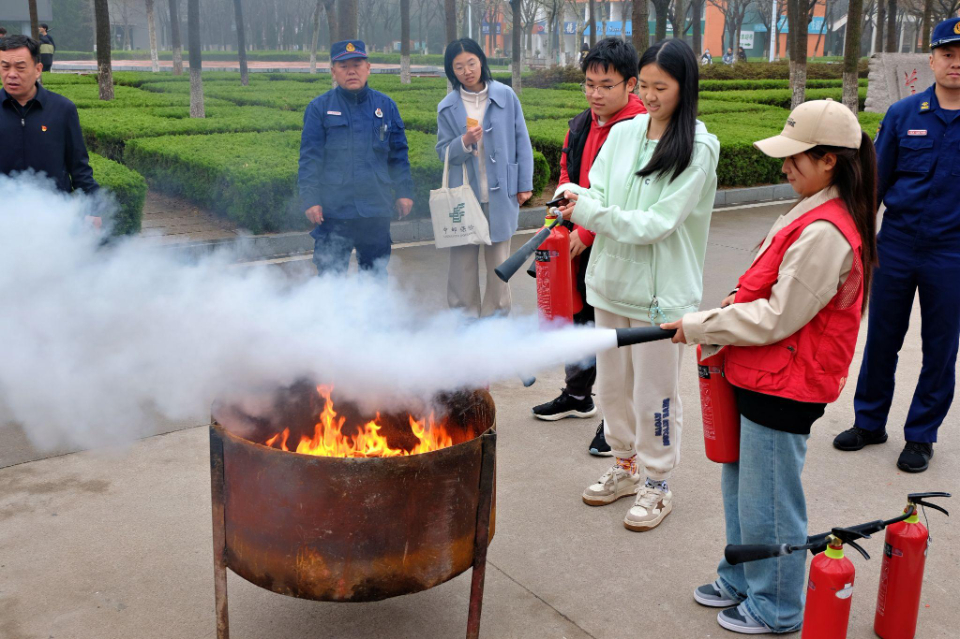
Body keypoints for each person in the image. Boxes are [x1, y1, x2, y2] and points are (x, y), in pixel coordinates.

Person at [662, 99, 878, 634]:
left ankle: (777, 606)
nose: (784, 167)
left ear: (829, 160)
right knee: (743, 490)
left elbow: (778, 317)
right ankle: (741, 577)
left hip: (786, 385)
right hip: (761, 373)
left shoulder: (827, 231)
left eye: (794, 157)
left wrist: (703, 324)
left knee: (772, 502)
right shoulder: (811, 208)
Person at [556, 39, 719, 532]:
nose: (649, 96)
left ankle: (658, 482)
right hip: (610, 285)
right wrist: (573, 194)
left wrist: (589, 211)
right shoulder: (624, 132)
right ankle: (625, 466)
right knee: (612, 389)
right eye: (643, 86)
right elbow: (599, 191)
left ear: (684, 87)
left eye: (660, 87)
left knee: (655, 394)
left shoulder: (698, 147)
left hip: (659, 296)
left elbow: (656, 224)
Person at [832, 17, 960, 473]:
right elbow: (874, 187)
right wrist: (857, 244)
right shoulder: (904, 115)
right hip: (896, 247)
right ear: (932, 59)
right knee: (882, 337)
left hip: (951, 253)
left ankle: (921, 435)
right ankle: (869, 422)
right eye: (948, 54)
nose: (955, 63)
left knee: (940, 348)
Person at [529, 38, 648, 458]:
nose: (595, 94)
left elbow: (629, 196)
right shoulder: (580, 124)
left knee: (610, 333)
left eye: (606, 85)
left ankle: (616, 424)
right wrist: (559, 224)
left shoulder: (640, 128)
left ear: (630, 84)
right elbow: (567, 174)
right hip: (575, 237)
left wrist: (589, 233)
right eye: (589, 84)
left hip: (614, 244)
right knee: (577, 317)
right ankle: (578, 395)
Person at [298, 40, 414, 277]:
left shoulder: (386, 106)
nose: (351, 71)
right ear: (333, 72)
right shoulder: (319, 108)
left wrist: (404, 192)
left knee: (374, 277)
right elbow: (310, 158)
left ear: (368, 68)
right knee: (331, 278)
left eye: (357, 65)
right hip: (333, 210)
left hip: (375, 209)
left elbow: (398, 155)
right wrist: (310, 199)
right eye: (343, 66)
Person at [436, 38, 534, 317]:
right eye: (459, 67)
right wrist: (464, 142)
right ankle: (464, 317)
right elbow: (443, 152)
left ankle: (496, 318)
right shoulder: (447, 106)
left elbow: (522, 140)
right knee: (461, 263)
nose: (467, 71)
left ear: (481, 61)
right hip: (464, 195)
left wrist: (524, 184)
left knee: (499, 261)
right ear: (451, 71)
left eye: (471, 63)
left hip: (500, 191)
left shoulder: (505, 96)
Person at [0, 35, 100, 227]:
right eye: (5, 67)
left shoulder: (62, 109)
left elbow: (78, 164)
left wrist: (93, 208)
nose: (11, 74)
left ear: (38, 69)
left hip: (55, 217)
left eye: (20, 67)